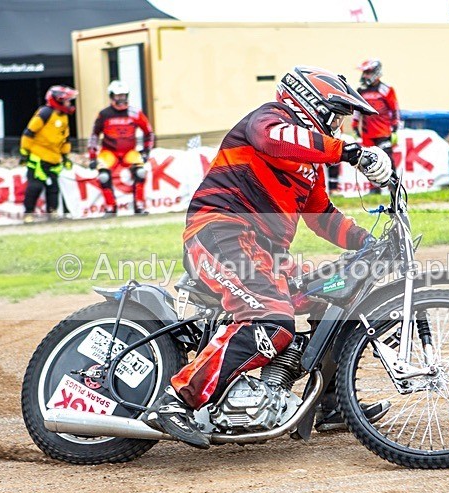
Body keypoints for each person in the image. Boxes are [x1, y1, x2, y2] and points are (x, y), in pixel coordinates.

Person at [143, 66, 393, 448]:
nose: (339, 128)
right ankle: (177, 400)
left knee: (335, 294)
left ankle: (329, 402)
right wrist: (351, 153)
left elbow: (322, 216)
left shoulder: (308, 166)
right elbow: (274, 139)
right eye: (336, 117)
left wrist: (366, 242)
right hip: (220, 231)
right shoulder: (269, 119)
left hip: (264, 252)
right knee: (272, 319)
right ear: (312, 104)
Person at [87, 80, 155, 216]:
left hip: (130, 151)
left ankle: (139, 206)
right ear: (111, 96)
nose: (121, 98)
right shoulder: (104, 114)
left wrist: (146, 151)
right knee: (103, 176)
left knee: (141, 172)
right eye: (118, 96)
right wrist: (92, 156)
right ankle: (110, 208)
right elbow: (94, 134)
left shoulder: (135, 113)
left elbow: (149, 133)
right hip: (108, 152)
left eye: (123, 95)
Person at [19, 85, 78, 223]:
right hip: (37, 157)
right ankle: (28, 213)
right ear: (58, 100)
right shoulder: (45, 113)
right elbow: (29, 132)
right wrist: (24, 153)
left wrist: (65, 157)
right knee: (35, 187)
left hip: (54, 158)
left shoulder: (64, 117)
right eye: (67, 101)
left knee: (53, 188)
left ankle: (52, 213)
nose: (69, 104)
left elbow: (65, 138)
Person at [351, 59, 400, 194]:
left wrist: (395, 127)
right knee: (368, 161)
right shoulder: (361, 90)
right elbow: (357, 109)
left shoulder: (386, 89)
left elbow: (395, 109)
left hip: (383, 132)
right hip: (367, 133)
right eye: (364, 72)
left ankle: (395, 187)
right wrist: (355, 124)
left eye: (367, 72)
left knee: (388, 160)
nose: (365, 75)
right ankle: (374, 189)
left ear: (376, 72)